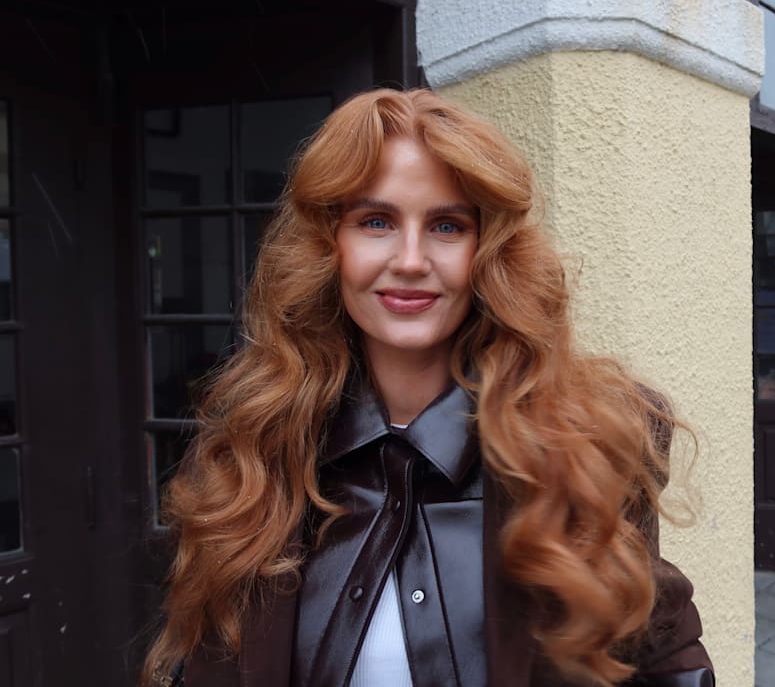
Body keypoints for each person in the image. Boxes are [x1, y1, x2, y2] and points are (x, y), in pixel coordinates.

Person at [143, 88, 713, 687]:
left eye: (447, 225)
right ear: (329, 244)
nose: (411, 260)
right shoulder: (256, 442)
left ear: (488, 250)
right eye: (376, 222)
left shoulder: (585, 440)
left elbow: (663, 661)